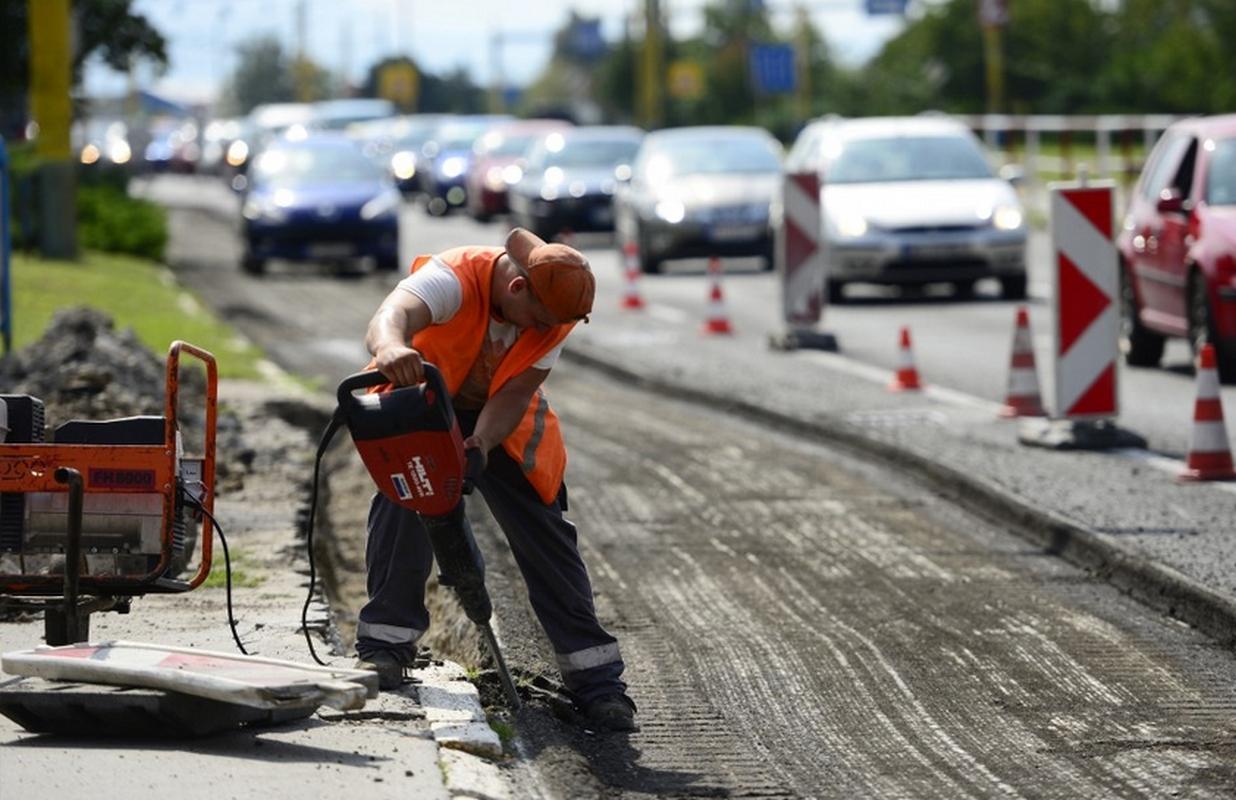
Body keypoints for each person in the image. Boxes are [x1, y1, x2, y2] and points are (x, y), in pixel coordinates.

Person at [354, 227, 636, 732]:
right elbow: (390, 314)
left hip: (499, 417)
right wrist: (393, 346)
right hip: (422, 402)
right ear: (518, 288)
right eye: (540, 320)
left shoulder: (555, 311)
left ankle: (596, 680)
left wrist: (480, 443)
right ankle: (386, 646)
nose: (544, 330)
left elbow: (514, 393)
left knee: (545, 530)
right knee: (405, 501)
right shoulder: (455, 277)